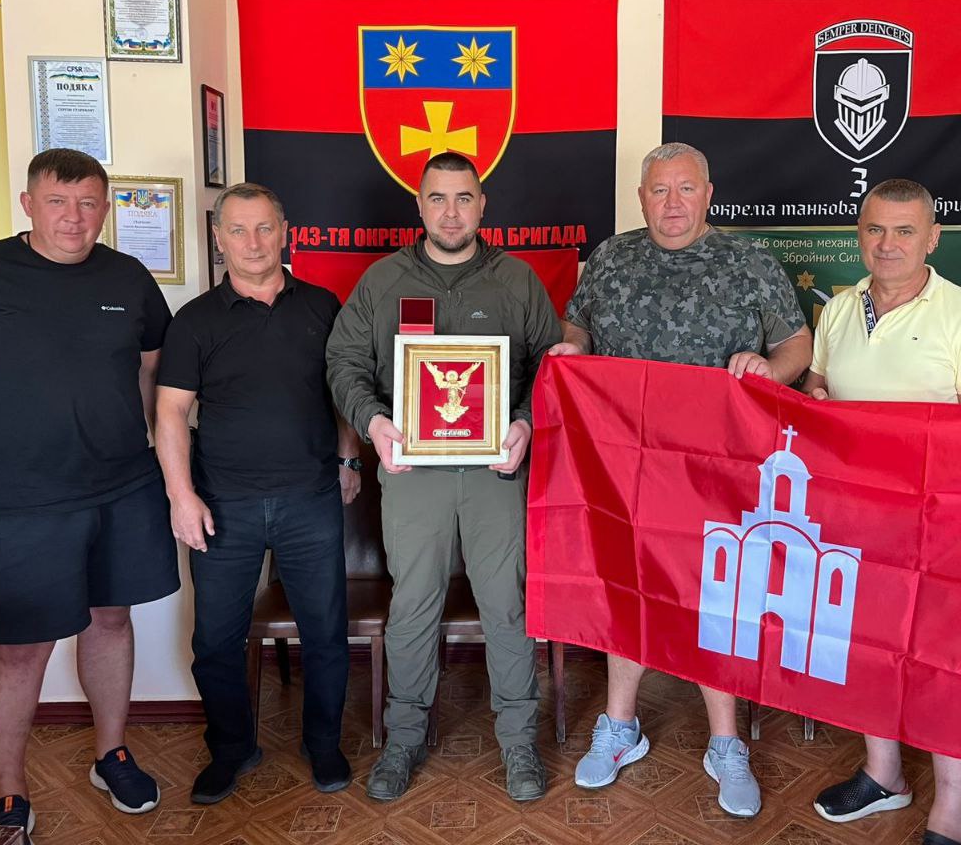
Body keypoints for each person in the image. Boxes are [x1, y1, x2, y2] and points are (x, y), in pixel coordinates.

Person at [0, 149, 179, 837]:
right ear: (28, 204)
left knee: (111, 621)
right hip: (25, 499)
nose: (74, 218)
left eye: (89, 203)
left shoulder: (128, 277)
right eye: (58, 202)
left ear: (106, 209)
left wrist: (160, 462)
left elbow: (152, 373)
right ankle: (9, 788)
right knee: (19, 649)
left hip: (123, 489)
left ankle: (111, 753)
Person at [550, 141, 812, 818]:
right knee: (626, 583)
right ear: (641, 198)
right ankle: (620, 726)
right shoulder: (611, 257)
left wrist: (771, 370)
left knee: (714, 595)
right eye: (659, 190)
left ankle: (726, 743)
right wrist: (573, 349)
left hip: (717, 466)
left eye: (686, 188)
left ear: (708, 194)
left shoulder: (749, 262)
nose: (672, 203)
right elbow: (578, 326)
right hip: (624, 464)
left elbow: (796, 344)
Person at [325, 151, 560, 803]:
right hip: (412, 472)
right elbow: (344, 362)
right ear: (419, 205)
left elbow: (551, 366)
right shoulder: (383, 281)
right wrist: (373, 422)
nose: (451, 212)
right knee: (414, 606)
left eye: (463, 198)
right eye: (437, 198)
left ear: (482, 205)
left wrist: (524, 424)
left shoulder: (516, 281)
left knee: (506, 607)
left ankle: (519, 742)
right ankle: (403, 739)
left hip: (494, 472)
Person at [803, 179, 961, 845]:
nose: (887, 244)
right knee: (867, 647)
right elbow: (819, 390)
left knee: (945, 663)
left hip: (938, 523)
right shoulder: (838, 309)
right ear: (859, 235)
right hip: (854, 517)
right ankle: (884, 774)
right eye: (875, 229)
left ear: (932, 238)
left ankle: (952, 812)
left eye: (904, 231)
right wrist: (810, 398)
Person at [154, 183, 360, 804]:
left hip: (311, 498)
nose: (253, 242)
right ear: (219, 240)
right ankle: (232, 749)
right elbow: (170, 413)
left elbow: (345, 391)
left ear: (285, 231)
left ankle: (323, 744)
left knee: (326, 633)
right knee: (215, 641)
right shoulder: (194, 321)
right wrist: (181, 496)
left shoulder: (323, 307)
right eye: (239, 230)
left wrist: (349, 458)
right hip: (223, 506)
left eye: (265, 228)